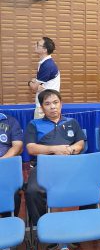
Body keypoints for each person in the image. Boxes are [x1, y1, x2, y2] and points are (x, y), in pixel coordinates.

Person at [25, 89, 85, 234]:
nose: (52, 106)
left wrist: (70, 150)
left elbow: (80, 143)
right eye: (47, 104)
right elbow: (31, 148)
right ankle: (43, 226)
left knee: (90, 185)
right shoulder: (34, 124)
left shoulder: (72, 122)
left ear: (61, 104)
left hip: (70, 164)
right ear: (41, 107)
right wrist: (54, 149)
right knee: (32, 191)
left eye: (55, 102)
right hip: (44, 166)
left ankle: (83, 224)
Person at [28, 37, 61, 119]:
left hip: (45, 107)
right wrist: (35, 84)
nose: (35, 45)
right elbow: (37, 85)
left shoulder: (47, 65)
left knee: (41, 127)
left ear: (44, 50)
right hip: (47, 104)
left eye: (38, 44)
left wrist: (29, 83)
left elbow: (34, 87)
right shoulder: (45, 63)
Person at [0, 113, 23, 217]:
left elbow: (18, 147)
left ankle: (8, 220)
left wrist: (2, 161)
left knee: (13, 194)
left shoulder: (10, 121)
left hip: (5, 165)